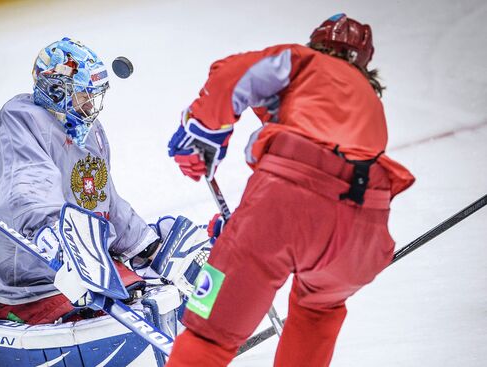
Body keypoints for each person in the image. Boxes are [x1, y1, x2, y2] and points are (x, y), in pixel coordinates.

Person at [165, 14, 415, 366]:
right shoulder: (370, 105)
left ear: (318, 43)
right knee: (318, 313)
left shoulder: (304, 61)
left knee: (210, 335)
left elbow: (232, 72)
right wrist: (248, 229)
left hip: (284, 210)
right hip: (364, 237)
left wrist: (204, 129)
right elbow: (324, 186)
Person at [0, 37, 160, 325]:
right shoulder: (17, 124)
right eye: (83, 95)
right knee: (89, 314)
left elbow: (101, 198)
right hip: (7, 271)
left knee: (135, 291)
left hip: (59, 260)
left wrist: (143, 244)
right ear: (55, 91)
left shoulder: (86, 129)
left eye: (94, 95)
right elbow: (27, 192)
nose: (91, 105)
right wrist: (57, 239)